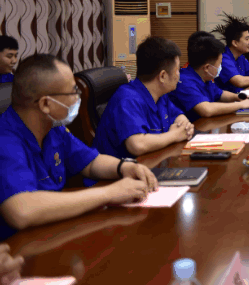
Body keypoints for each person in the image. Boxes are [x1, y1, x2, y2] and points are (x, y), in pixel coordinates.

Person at [0, 54, 158, 241]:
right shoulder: (6, 140)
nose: (78, 98)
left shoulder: (53, 128)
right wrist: (109, 194)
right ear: (46, 104)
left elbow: (90, 162)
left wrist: (124, 167)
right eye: (72, 92)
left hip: (54, 232)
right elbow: (21, 211)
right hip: (20, 246)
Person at [92, 37, 194, 159]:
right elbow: (137, 145)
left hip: (153, 161)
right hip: (118, 170)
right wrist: (175, 135)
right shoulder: (128, 99)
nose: (179, 74)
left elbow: (177, 115)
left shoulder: (161, 95)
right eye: (177, 70)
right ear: (162, 76)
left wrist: (184, 126)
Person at [169, 32, 249, 122]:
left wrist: (238, 97)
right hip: (194, 128)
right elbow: (206, 110)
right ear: (207, 68)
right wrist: (241, 105)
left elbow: (220, 94)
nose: (220, 67)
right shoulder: (185, 81)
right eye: (219, 64)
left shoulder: (204, 77)